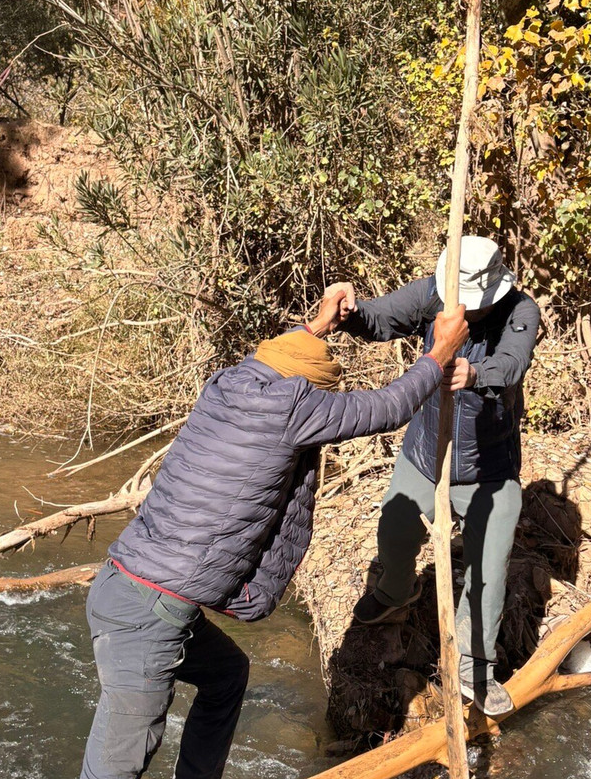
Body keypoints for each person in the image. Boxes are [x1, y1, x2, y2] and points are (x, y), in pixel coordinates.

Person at [80, 288, 469, 779]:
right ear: (306, 388)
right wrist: (439, 355)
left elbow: (286, 353)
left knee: (226, 676)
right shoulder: (294, 408)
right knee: (113, 771)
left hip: (126, 589)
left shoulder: (229, 383)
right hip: (150, 612)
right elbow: (386, 409)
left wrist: (319, 326)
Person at [333, 235, 540, 716]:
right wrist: (352, 314)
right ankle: (396, 593)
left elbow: (512, 364)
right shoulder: (435, 294)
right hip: (427, 451)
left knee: (488, 569)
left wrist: (473, 373)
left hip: (490, 468)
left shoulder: (520, 310)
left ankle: (474, 664)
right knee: (396, 530)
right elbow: (382, 318)